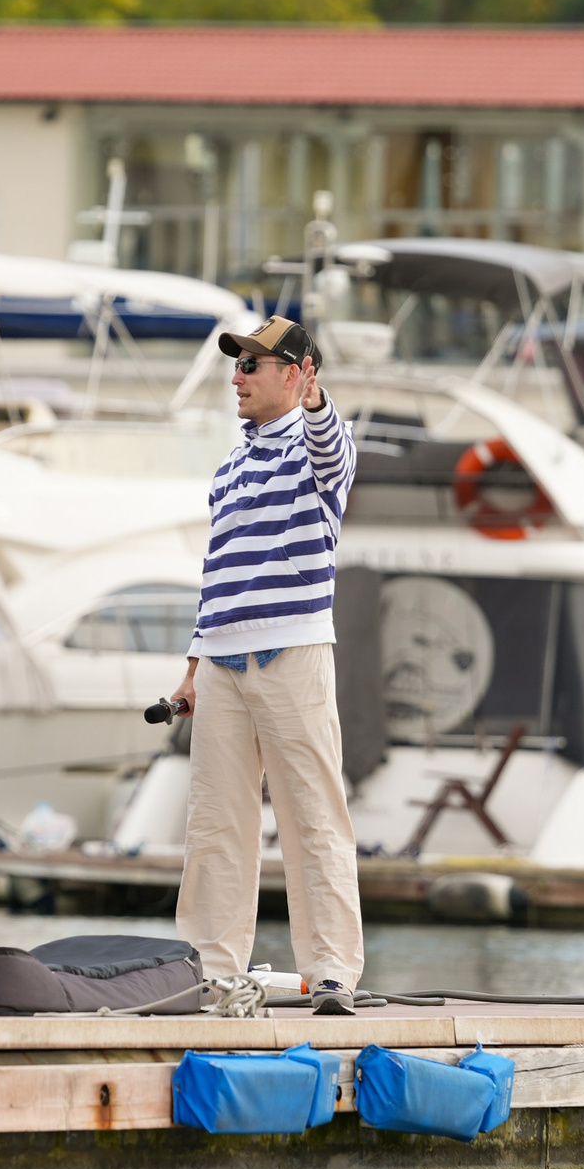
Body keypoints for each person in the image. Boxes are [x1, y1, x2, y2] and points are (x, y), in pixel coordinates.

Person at [163, 315, 363, 1014]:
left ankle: (332, 970)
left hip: (294, 647)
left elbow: (332, 444)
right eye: (236, 363)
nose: (237, 375)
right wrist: (192, 667)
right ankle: (210, 971)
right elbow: (216, 573)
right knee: (215, 823)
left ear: (296, 373)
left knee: (314, 813)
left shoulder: (318, 452)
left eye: (253, 363)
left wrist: (316, 401)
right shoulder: (230, 468)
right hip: (220, 658)